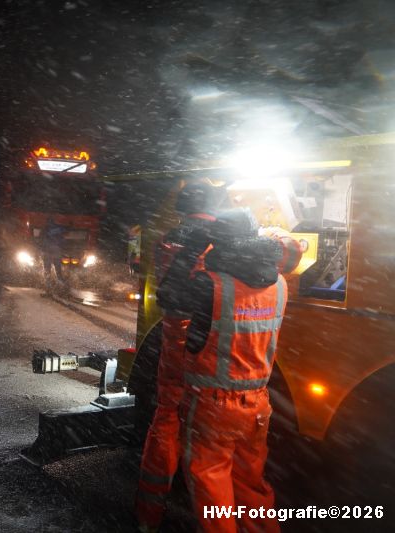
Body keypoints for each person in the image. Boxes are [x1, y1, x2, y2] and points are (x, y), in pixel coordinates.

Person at [179, 208, 287, 533]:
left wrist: (193, 249)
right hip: (258, 407)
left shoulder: (209, 284)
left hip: (214, 407)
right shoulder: (279, 283)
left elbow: (171, 300)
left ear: (218, 241)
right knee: (251, 484)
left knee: (212, 489)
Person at [135, 182, 224, 531]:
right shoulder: (215, 238)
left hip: (172, 330)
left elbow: (167, 284)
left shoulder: (171, 236)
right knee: (202, 426)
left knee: (168, 412)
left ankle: (149, 514)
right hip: (203, 332)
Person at [40, 218, 66, 287]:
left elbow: (41, 240)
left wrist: (41, 250)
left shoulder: (45, 229)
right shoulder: (58, 228)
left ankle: (48, 285)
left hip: (47, 251)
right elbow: (62, 238)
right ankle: (61, 284)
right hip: (56, 251)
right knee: (58, 269)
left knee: (47, 269)